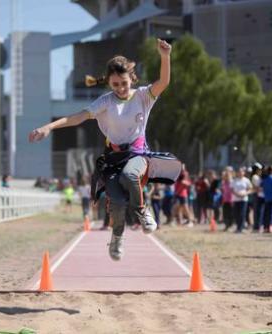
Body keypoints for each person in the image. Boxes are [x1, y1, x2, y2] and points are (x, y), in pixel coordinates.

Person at [29, 39, 173, 261]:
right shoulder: (105, 102)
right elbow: (77, 117)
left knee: (130, 174)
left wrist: (165, 57)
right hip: (113, 157)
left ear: (131, 79)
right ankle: (117, 237)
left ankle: (142, 211)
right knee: (115, 204)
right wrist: (49, 127)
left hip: (138, 154)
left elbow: (163, 81)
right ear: (109, 84)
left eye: (124, 83)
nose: (121, 89)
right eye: (115, 85)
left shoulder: (144, 96)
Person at [231, 167, 252, 233]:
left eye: (241, 172)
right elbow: (232, 189)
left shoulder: (246, 180)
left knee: (242, 213)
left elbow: (250, 189)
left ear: (243, 173)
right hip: (236, 199)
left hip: (244, 199)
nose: (240, 173)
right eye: (239, 172)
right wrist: (236, 194)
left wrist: (245, 193)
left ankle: (241, 228)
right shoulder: (234, 180)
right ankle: (238, 227)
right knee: (236, 214)